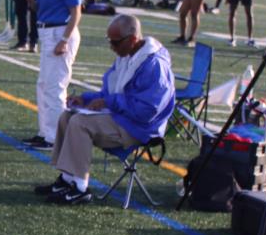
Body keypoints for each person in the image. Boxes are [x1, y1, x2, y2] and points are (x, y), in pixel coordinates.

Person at [34, 13, 176, 205]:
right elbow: (109, 92)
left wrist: (109, 102)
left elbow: (147, 111)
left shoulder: (154, 65)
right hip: (123, 117)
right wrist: (85, 99)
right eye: (109, 41)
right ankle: (67, 179)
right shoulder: (128, 55)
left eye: (115, 42)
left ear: (132, 39)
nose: (112, 47)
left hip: (140, 128)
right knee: (68, 116)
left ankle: (80, 188)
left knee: (80, 123)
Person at [24, 0, 82, 147]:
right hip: (48, 32)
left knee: (55, 87)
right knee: (44, 85)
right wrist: (31, 0)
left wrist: (64, 40)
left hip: (60, 33)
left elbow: (76, 13)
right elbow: (40, 9)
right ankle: (45, 132)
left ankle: (55, 137)